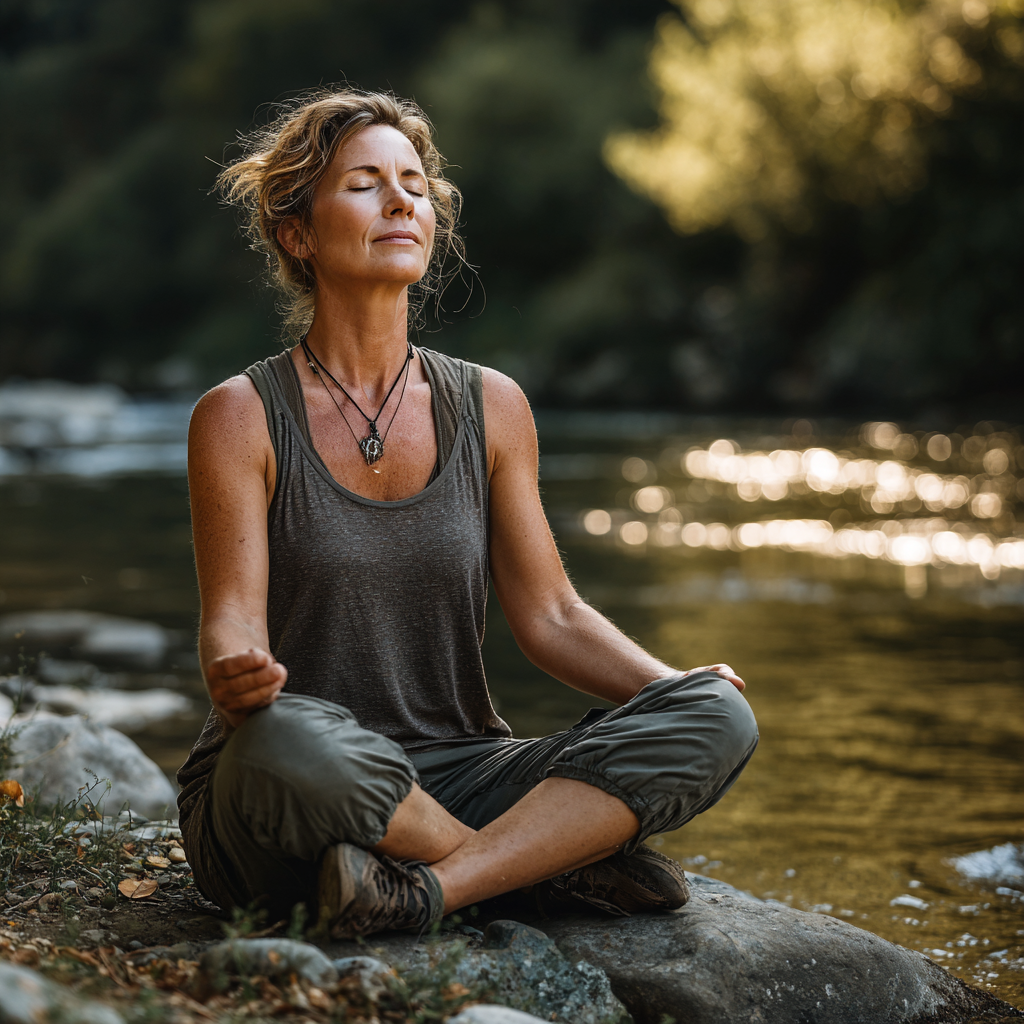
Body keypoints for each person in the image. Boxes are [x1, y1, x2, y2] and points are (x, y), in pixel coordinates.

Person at [177, 89, 758, 939]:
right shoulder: (239, 415)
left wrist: (671, 687)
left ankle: (429, 889)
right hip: (297, 777)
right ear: (297, 234)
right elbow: (231, 620)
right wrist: (235, 670)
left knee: (719, 714)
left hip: (461, 769)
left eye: (414, 185)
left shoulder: (493, 405)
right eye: (365, 184)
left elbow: (553, 615)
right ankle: (545, 869)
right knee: (283, 737)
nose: (400, 200)